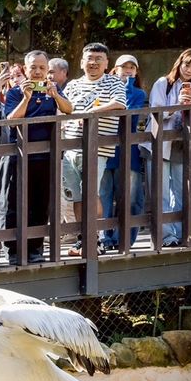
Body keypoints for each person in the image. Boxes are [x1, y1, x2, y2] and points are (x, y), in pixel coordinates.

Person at [2, 51, 69, 264]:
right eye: (33, 67)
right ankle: (14, 250)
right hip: (20, 155)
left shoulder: (53, 89)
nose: (38, 71)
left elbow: (69, 109)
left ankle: (35, 248)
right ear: (25, 68)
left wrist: (55, 95)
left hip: (45, 155)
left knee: (41, 204)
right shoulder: (15, 92)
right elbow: (11, 119)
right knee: (16, 203)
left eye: (42, 67)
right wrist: (27, 97)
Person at [62, 42, 126, 256]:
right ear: (82, 62)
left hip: (97, 147)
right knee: (77, 196)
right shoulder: (73, 85)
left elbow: (119, 103)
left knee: (91, 192)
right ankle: (83, 240)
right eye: (90, 58)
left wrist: (92, 113)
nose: (94, 63)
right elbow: (63, 109)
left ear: (107, 63)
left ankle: (95, 240)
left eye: (99, 59)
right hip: (71, 146)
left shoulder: (114, 82)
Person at [147, 48, 191, 247]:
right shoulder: (163, 83)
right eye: (186, 65)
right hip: (160, 144)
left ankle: (189, 234)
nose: (189, 70)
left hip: (183, 145)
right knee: (161, 193)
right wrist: (176, 106)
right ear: (179, 63)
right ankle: (166, 238)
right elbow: (155, 112)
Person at [100, 55, 148, 252]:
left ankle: (124, 239)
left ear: (136, 72)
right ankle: (104, 238)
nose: (128, 70)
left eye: (132, 68)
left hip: (129, 151)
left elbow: (128, 114)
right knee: (103, 196)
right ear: (114, 69)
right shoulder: (103, 89)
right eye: (123, 67)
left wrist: (125, 86)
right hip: (104, 149)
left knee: (131, 198)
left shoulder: (138, 93)